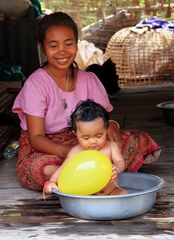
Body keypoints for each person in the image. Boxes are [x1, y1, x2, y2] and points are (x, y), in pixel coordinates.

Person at [12, 12, 161, 193]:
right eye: (53, 45)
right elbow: (36, 139)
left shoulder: (89, 79)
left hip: (88, 139)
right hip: (48, 147)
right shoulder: (36, 84)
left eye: (69, 43)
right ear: (43, 47)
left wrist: (112, 125)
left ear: (76, 43)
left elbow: (103, 119)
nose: (62, 51)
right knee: (42, 168)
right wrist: (69, 152)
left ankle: (90, 178)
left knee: (136, 140)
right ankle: (89, 179)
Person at [43, 99, 127, 196]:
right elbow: (63, 168)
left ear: (106, 130)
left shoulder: (111, 146)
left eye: (99, 136)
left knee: (123, 193)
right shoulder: (76, 151)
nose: (93, 141)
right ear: (76, 134)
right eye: (86, 138)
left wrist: (117, 169)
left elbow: (120, 161)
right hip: (87, 193)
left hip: (111, 190)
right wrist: (52, 181)